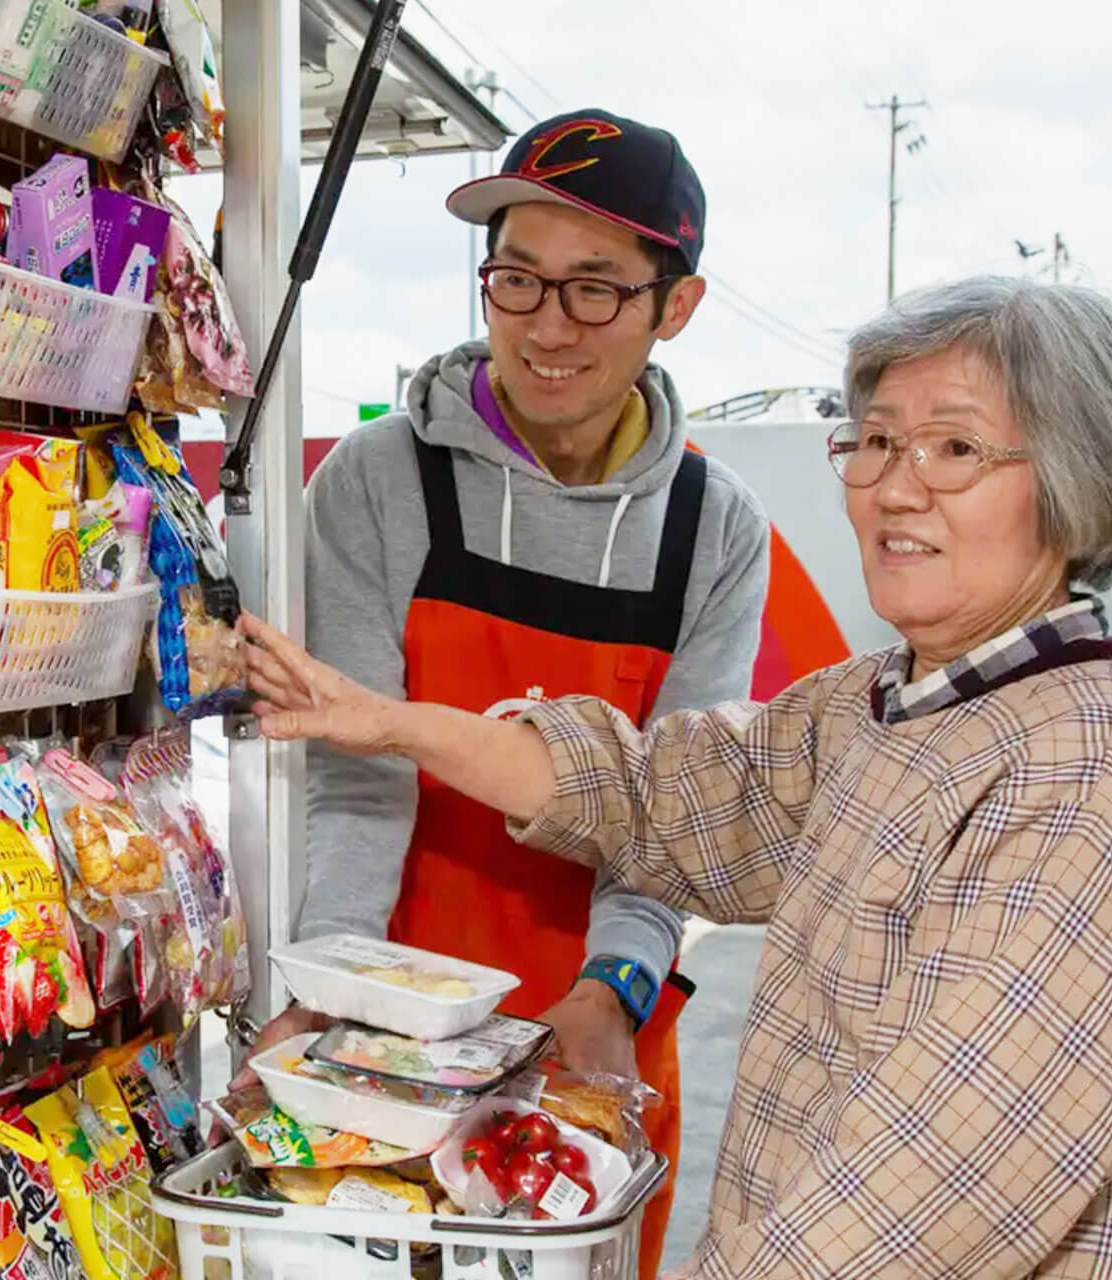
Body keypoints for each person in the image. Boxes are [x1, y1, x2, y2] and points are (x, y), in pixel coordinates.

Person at [242, 276, 1112, 1277]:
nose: (892, 484)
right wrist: (383, 721)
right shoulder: (881, 705)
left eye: (952, 447)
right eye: (872, 439)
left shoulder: (1091, 768)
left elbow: (922, 1190)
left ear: (1075, 478)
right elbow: (656, 790)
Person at [254, 108, 772, 1278]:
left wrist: (614, 990)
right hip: (389, 1021)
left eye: (594, 288)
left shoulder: (713, 529)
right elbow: (356, 780)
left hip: (592, 1017)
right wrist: (334, 992)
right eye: (516, 280)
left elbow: (678, 815)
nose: (546, 326)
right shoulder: (381, 480)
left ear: (672, 305)